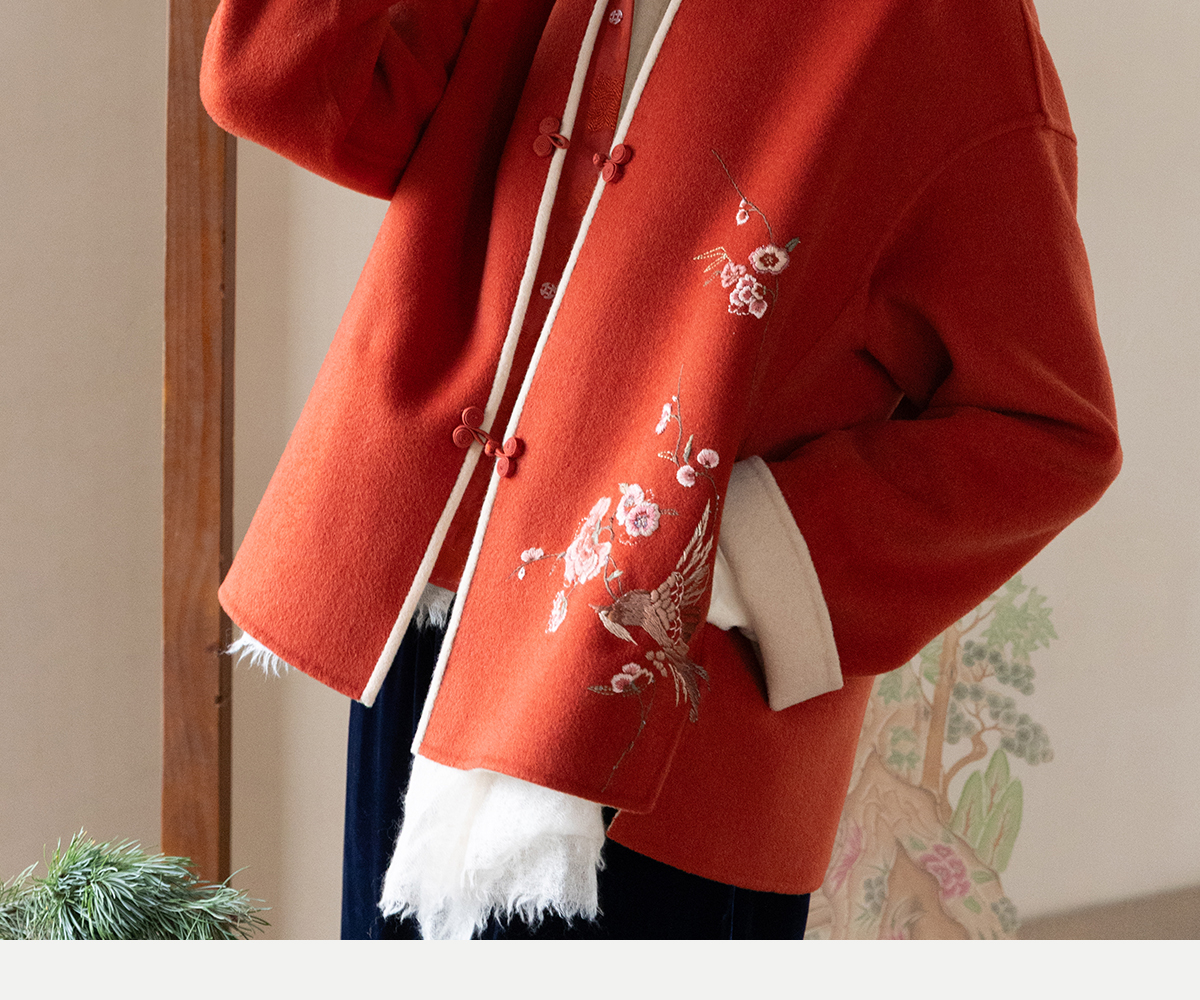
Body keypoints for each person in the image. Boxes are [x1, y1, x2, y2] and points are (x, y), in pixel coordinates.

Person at [201, 0, 1121, 939]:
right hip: (426, 631)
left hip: (664, 724)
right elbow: (284, 88)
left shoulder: (945, 27)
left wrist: (716, 562)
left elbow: (1046, 432)